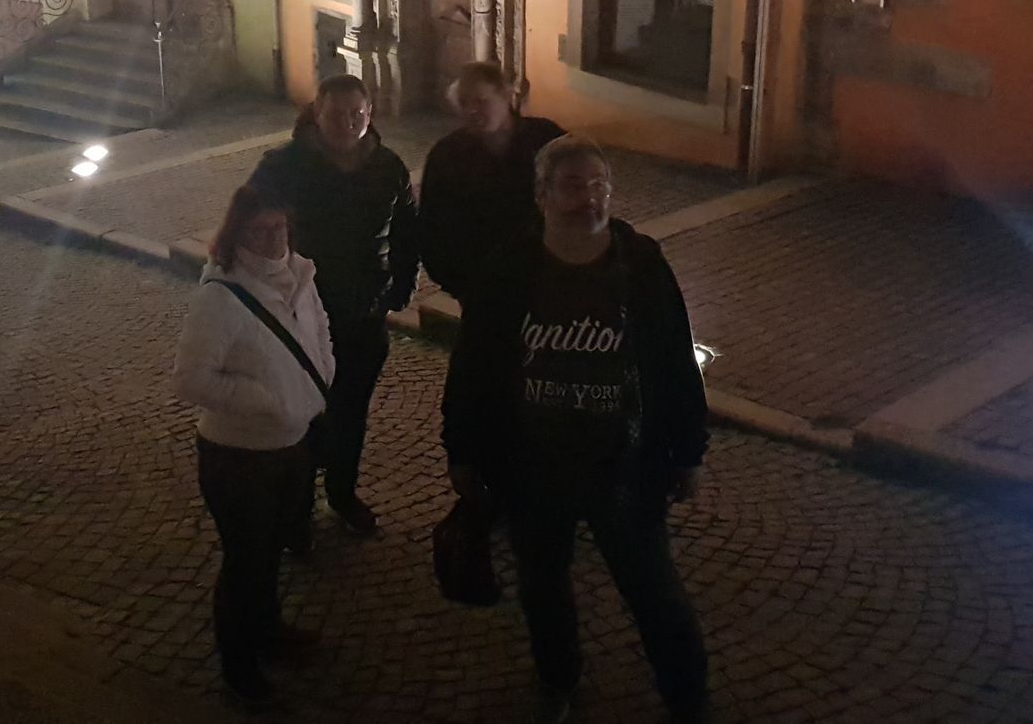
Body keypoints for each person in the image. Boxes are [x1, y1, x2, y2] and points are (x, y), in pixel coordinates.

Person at [442, 135, 711, 724]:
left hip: (626, 468)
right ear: (541, 195)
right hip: (532, 468)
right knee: (542, 585)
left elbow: (674, 360)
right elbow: (473, 366)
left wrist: (688, 453)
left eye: (599, 186)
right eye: (572, 186)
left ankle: (688, 697)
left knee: (654, 590)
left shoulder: (641, 265)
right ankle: (557, 678)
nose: (589, 198)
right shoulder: (509, 269)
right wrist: (463, 451)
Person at [174, 185, 335, 707]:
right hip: (238, 457)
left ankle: (269, 632)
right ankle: (239, 668)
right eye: (258, 231)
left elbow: (318, 328)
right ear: (237, 233)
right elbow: (191, 379)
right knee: (246, 562)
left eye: (278, 228)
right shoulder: (220, 298)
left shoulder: (300, 275)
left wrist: (323, 374)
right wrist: (268, 402)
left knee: (271, 552)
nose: (271, 240)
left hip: (292, 445)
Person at [248, 74, 419, 537]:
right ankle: (296, 508)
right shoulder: (283, 166)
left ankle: (342, 493)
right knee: (300, 414)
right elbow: (252, 226)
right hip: (299, 312)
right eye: (337, 114)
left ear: (370, 115)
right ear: (317, 114)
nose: (348, 123)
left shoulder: (388, 167)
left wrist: (400, 287)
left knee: (350, 411)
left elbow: (407, 230)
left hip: (362, 312)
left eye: (357, 114)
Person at [419, 61, 566, 305]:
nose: (472, 111)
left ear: (506, 96)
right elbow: (432, 227)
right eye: (464, 103)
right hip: (480, 288)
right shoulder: (447, 156)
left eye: (481, 101)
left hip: (545, 280)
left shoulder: (545, 139)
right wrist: (458, 283)